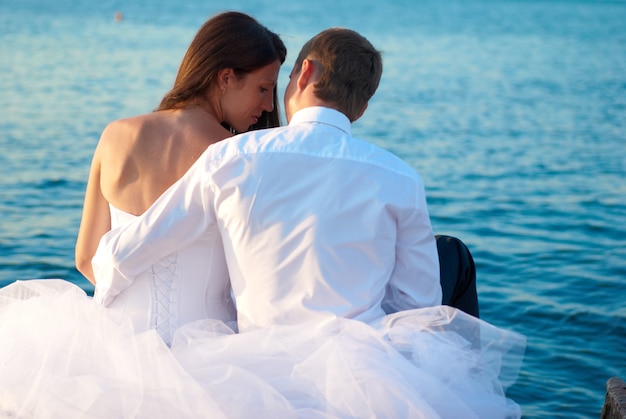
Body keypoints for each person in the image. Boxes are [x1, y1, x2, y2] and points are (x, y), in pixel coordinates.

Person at [89, 28, 524, 417]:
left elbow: (135, 246)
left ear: (305, 73)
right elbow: (417, 310)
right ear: (364, 106)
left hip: (254, 360)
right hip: (361, 371)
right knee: (454, 256)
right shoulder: (400, 178)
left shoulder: (231, 158)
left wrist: (106, 283)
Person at [73, 11, 286, 342]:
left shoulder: (115, 136)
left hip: (118, 345)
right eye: (263, 88)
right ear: (226, 77)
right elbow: (261, 278)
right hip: (211, 351)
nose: (270, 106)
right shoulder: (242, 157)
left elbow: (86, 258)